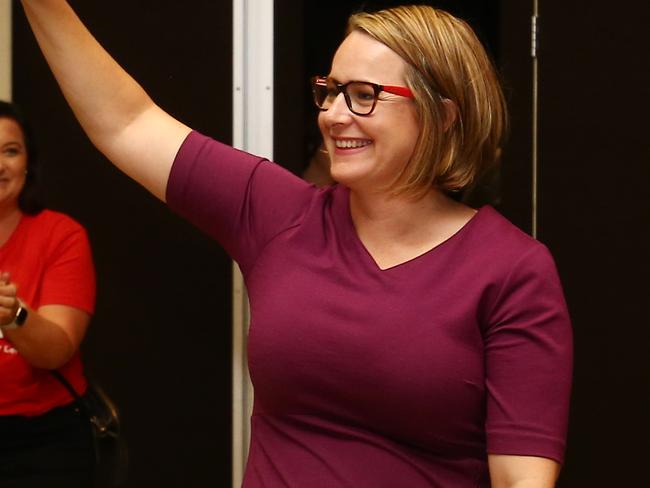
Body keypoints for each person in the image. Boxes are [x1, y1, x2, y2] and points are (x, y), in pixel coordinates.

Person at [19, 2, 572, 486]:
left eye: (364, 96)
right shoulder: (279, 214)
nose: (332, 115)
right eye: (329, 92)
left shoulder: (511, 269)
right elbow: (127, 122)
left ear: (443, 115)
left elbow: (521, 476)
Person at [0, 100, 96, 486]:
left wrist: (12, 315)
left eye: (10, 151)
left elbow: (57, 350)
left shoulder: (61, 235)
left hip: (40, 442)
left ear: (28, 164)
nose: (0, 164)